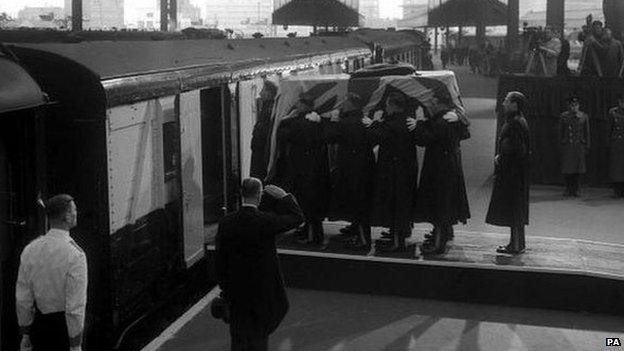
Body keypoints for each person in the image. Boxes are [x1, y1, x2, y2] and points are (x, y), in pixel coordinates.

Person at [215, 179, 304, 351]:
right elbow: (297, 217)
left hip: (236, 291)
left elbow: (220, 260)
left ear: (242, 193)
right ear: (259, 195)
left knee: (238, 338)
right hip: (261, 292)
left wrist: (225, 288)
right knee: (258, 339)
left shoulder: (226, 223)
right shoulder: (266, 221)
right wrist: (284, 197)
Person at [15, 194, 87, 351]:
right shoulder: (75, 255)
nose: (76, 213)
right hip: (64, 331)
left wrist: (26, 333)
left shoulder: (30, 250)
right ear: (67, 216)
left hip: (40, 326)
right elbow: (75, 307)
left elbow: (23, 299)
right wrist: (75, 344)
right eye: (74, 210)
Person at [310, 93, 375, 250]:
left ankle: (364, 240)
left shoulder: (346, 123)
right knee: (361, 204)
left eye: (346, 102)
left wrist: (331, 121)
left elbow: (329, 137)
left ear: (351, 104)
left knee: (358, 205)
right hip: (365, 167)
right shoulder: (363, 121)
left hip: (352, 169)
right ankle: (357, 231)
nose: (343, 104)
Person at [408, 96, 471, 255]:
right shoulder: (450, 118)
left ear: (439, 103)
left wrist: (420, 122)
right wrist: (460, 117)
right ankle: (443, 234)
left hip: (440, 168)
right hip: (449, 165)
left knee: (440, 205)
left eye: (432, 102)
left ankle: (438, 244)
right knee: (445, 203)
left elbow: (424, 140)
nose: (430, 105)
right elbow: (465, 133)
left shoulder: (443, 121)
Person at [363, 92, 418, 252]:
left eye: (387, 105)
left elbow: (374, 136)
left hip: (393, 172)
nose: (386, 107)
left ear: (393, 106)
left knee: (395, 206)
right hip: (407, 169)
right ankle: (399, 235)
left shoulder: (391, 123)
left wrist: (373, 123)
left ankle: (397, 242)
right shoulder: (407, 121)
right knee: (402, 205)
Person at [277, 94, 331, 248]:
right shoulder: (318, 121)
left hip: (303, 169)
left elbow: (282, 135)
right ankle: (310, 232)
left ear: (304, 106)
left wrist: (286, 118)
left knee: (308, 205)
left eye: (298, 104)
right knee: (312, 205)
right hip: (316, 168)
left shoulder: (299, 123)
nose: (296, 107)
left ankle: (313, 237)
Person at [486, 92, 531, 254]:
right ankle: (516, 243)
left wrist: (502, 158)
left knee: (514, 210)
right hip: (514, 173)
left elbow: (517, 149)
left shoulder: (516, 123)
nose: (503, 103)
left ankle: (517, 245)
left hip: (513, 174)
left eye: (506, 101)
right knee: (514, 210)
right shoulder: (515, 121)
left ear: (514, 104)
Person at [559, 97, 590, 197]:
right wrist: (560, 144)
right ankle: (568, 189)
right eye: (572, 105)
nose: (574, 107)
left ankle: (576, 189)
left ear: (578, 105)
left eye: (576, 105)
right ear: (569, 106)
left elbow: (587, 132)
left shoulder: (583, 116)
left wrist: (587, 145)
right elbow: (560, 131)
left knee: (578, 169)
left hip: (579, 145)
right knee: (568, 169)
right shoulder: (564, 116)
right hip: (568, 145)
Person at [250, 80, 278, 180]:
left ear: (269, 93)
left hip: (261, 152)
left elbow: (264, 131)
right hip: (260, 150)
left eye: (263, 90)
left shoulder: (269, 109)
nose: (260, 93)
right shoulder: (268, 107)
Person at [607, 95, 624, 197]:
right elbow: (609, 129)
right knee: (617, 169)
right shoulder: (613, 112)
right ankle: (617, 191)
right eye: (622, 101)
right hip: (617, 144)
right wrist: (608, 143)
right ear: (619, 101)